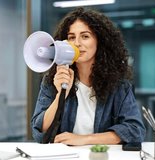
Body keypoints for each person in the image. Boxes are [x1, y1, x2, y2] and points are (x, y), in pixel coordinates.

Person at [31, 7, 146, 146]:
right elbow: (39, 132)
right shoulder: (53, 80)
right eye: (71, 37)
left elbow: (135, 130)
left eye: (85, 36)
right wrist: (60, 96)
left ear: (100, 41)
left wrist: (84, 139)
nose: (77, 43)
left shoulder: (118, 85)